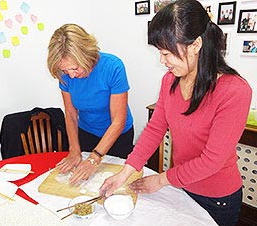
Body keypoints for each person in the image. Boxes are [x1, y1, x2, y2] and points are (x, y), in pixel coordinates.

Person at [100, 1, 252, 226]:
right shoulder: (169, 81)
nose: (162, 61)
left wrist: (162, 180)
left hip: (216, 198)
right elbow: (154, 129)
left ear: (196, 44)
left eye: (167, 52)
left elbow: (212, 161)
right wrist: (124, 174)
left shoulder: (234, 90)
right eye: (160, 52)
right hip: (181, 186)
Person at [47, 24, 134, 185]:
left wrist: (94, 159)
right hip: (86, 133)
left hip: (118, 136)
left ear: (87, 55)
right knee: (85, 184)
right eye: (66, 71)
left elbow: (118, 121)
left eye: (74, 68)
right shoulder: (64, 74)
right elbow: (71, 114)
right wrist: (74, 149)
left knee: (115, 185)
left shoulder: (113, 67)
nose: (71, 76)